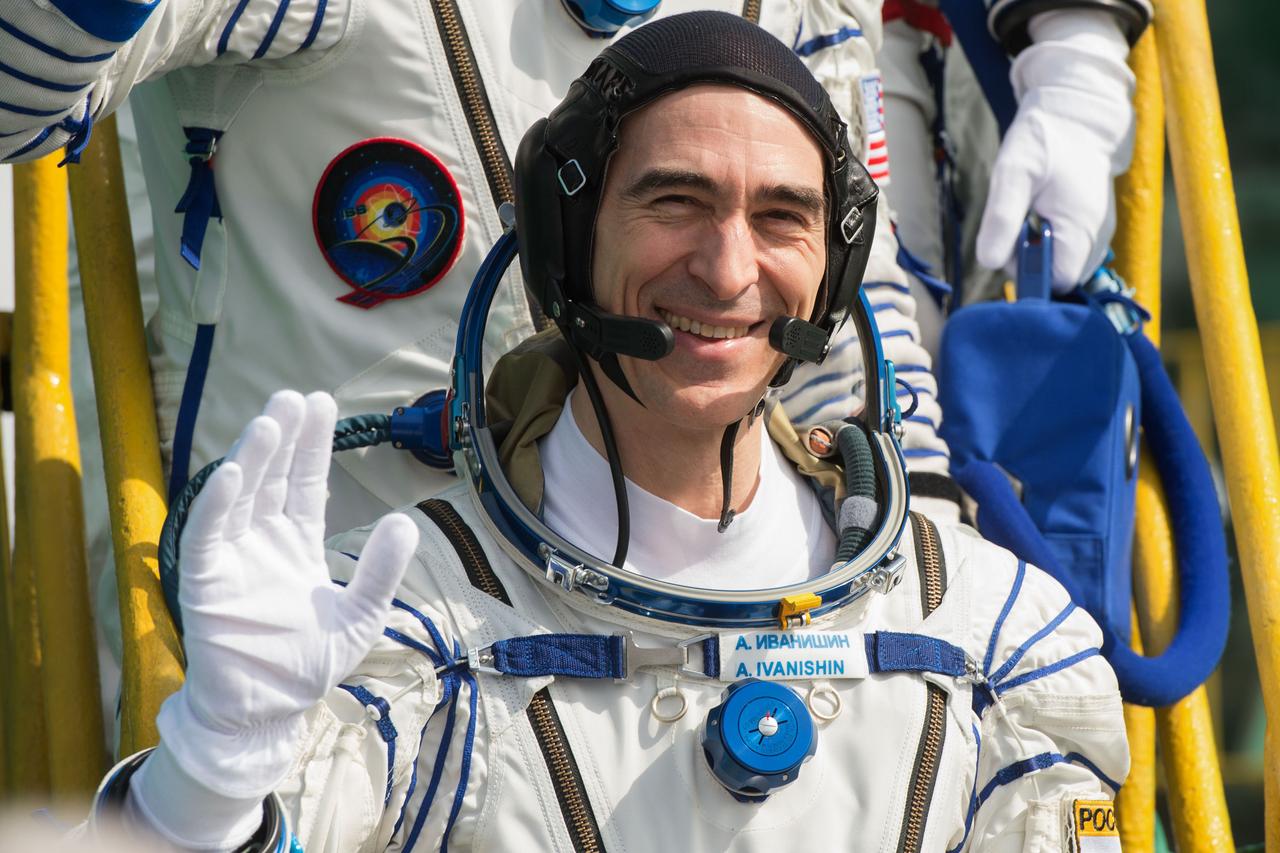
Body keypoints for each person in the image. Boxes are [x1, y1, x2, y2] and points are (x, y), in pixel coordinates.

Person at [85, 15, 1128, 851]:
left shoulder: (994, 647)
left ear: (837, 270)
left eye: (780, 218)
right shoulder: (409, 633)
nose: (726, 273)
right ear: (567, 245)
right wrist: (211, 780)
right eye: (673, 202)